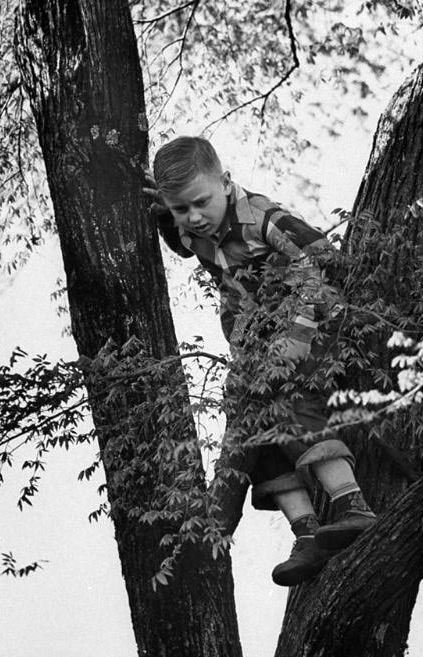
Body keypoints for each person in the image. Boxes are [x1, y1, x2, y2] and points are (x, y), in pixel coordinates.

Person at [145, 136, 376, 586]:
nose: (193, 216)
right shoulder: (191, 230)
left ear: (226, 183)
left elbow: (325, 265)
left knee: (290, 400)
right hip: (257, 340)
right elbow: (180, 237)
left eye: (201, 202)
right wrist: (162, 211)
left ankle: (352, 505)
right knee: (253, 425)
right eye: (180, 209)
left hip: (309, 321)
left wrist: (300, 331)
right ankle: (308, 534)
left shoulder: (264, 220)